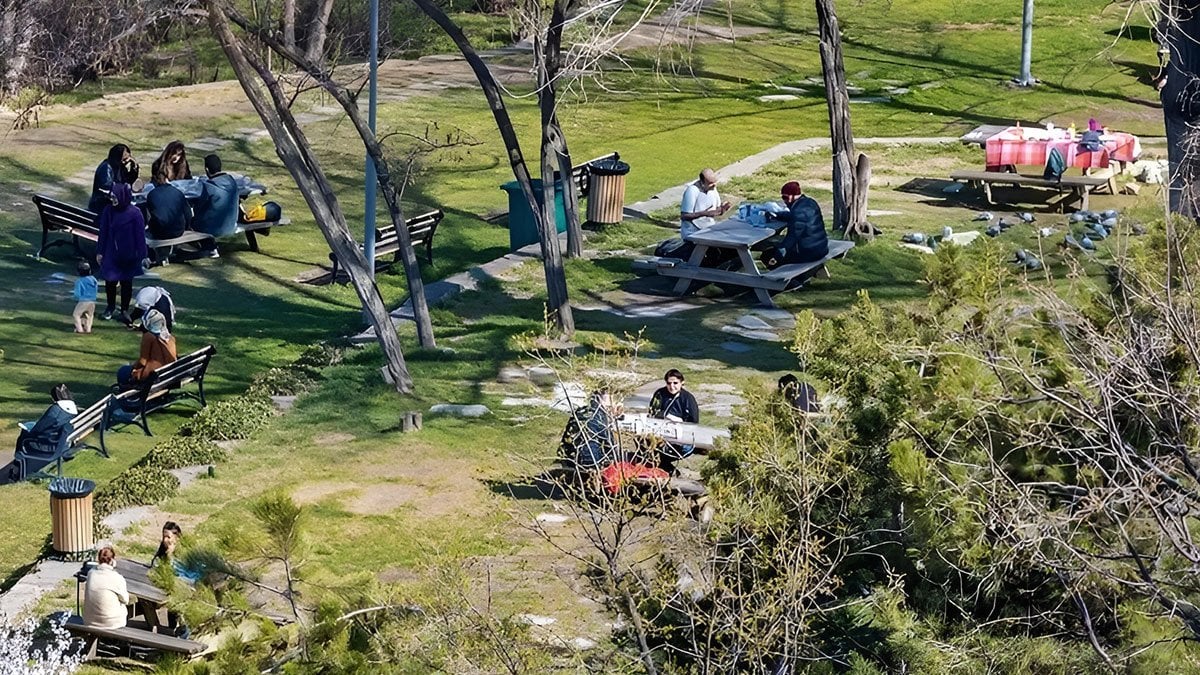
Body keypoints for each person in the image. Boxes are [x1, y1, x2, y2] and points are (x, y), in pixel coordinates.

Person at [95, 182, 148, 323]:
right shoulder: (108, 211)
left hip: (129, 254)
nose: (113, 199)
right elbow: (103, 231)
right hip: (111, 252)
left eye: (115, 197)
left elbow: (140, 236)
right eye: (112, 196)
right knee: (110, 281)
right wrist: (100, 251)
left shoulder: (135, 213)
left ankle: (124, 309)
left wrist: (142, 255)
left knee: (126, 282)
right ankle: (110, 307)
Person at [9, 385, 76, 480]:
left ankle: (17, 469)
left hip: (48, 447)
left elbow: (39, 429)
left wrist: (28, 429)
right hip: (61, 445)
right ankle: (17, 467)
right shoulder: (71, 411)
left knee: (22, 438)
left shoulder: (55, 410)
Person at [761, 181, 828, 271]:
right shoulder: (810, 202)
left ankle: (789, 278)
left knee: (767, 255)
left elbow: (791, 238)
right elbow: (795, 217)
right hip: (821, 248)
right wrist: (777, 215)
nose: (784, 201)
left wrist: (777, 256)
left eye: (784, 197)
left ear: (791, 196)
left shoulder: (797, 212)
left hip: (808, 254)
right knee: (777, 245)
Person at [647, 369, 700, 474]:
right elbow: (652, 412)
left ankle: (665, 465)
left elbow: (694, 421)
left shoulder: (688, 398)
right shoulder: (660, 394)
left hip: (681, 435)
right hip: (660, 431)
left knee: (684, 448)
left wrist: (678, 422)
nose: (672, 386)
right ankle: (662, 466)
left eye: (675, 383)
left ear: (682, 383)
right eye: (669, 383)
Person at [560, 390, 623, 472]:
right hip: (591, 464)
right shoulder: (599, 417)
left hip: (571, 462)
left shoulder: (581, 412)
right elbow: (610, 447)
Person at [191, 154, 240, 255]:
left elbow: (198, 208)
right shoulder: (232, 182)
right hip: (231, 225)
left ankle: (208, 248)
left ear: (207, 169)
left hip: (213, 228)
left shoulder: (208, 187)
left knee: (191, 221)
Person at [117, 308, 177, 387]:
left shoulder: (148, 336)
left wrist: (133, 367)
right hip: (169, 373)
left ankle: (126, 388)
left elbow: (142, 362)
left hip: (152, 375)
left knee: (123, 371)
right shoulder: (171, 338)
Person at [83, 547, 132, 629]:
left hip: (89, 621)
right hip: (112, 623)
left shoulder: (91, 574)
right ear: (112, 561)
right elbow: (125, 600)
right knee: (122, 605)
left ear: (98, 560)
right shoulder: (117, 577)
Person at [680, 168, 731, 239]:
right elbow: (684, 216)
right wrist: (705, 213)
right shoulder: (692, 191)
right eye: (710, 183)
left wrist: (722, 209)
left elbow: (715, 210)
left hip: (708, 229)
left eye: (715, 182)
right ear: (702, 182)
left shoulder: (712, 189)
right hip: (692, 233)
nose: (714, 185)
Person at [88, 144, 140, 213]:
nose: (124, 162)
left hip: (114, 204)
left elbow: (127, 182)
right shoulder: (106, 167)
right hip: (101, 205)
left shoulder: (120, 167)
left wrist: (134, 169)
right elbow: (107, 187)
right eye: (123, 159)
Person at [145, 169, 192, 240]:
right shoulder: (178, 192)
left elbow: (149, 216)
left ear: (155, 180)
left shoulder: (151, 194)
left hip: (158, 233)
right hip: (178, 231)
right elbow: (188, 214)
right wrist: (187, 227)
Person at [72, 261, 97, 334]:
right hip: (92, 301)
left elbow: (77, 294)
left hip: (83, 301)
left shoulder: (79, 281)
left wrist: (75, 298)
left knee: (76, 315)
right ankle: (88, 329)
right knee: (89, 315)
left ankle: (80, 330)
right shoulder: (93, 279)